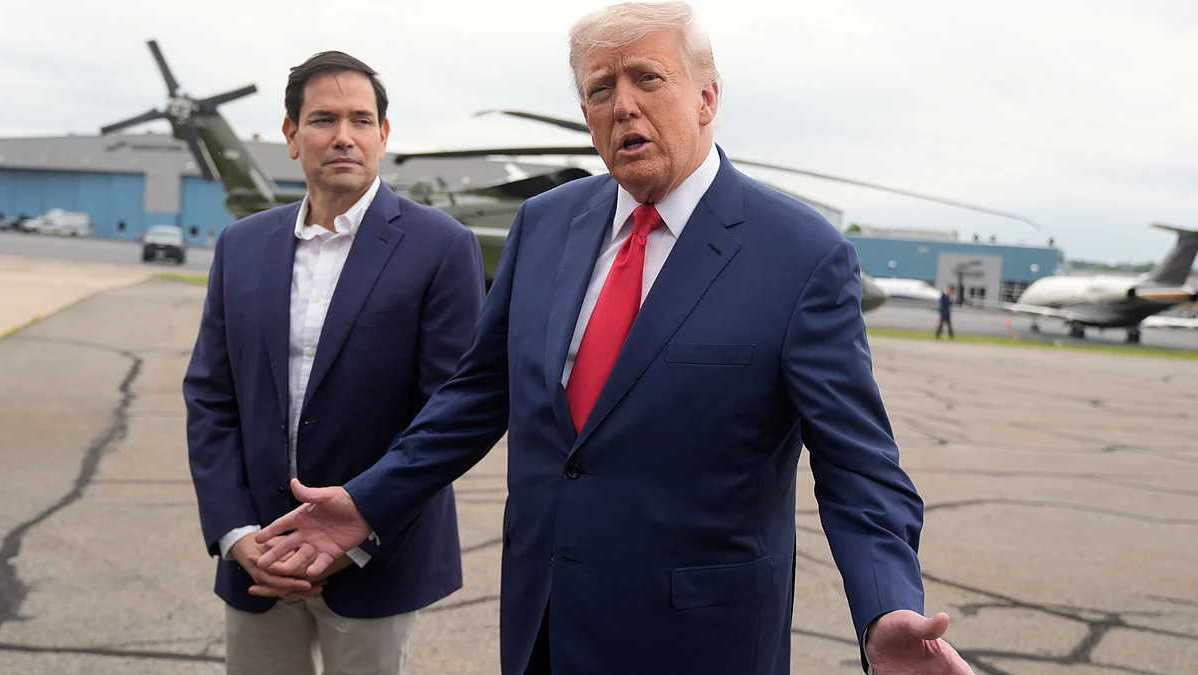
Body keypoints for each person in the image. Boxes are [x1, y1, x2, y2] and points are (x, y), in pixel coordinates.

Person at [255, 4, 974, 674]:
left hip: (700, 638)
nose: (623, 103)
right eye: (600, 89)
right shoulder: (543, 225)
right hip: (542, 626)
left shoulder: (801, 252)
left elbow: (859, 464)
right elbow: (475, 395)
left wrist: (885, 602)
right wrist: (367, 500)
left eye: (648, 78)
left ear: (707, 97)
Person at [182, 50, 485, 675]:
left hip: (378, 560)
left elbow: (448, 414)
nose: (344, 136)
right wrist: (237, 534)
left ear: (384, 135)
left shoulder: (442, 247)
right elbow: (210, 396)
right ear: (291, 136)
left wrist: (363, 529)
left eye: (361, 120)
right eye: (322, 120)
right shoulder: (241, 245)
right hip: (257, 560)